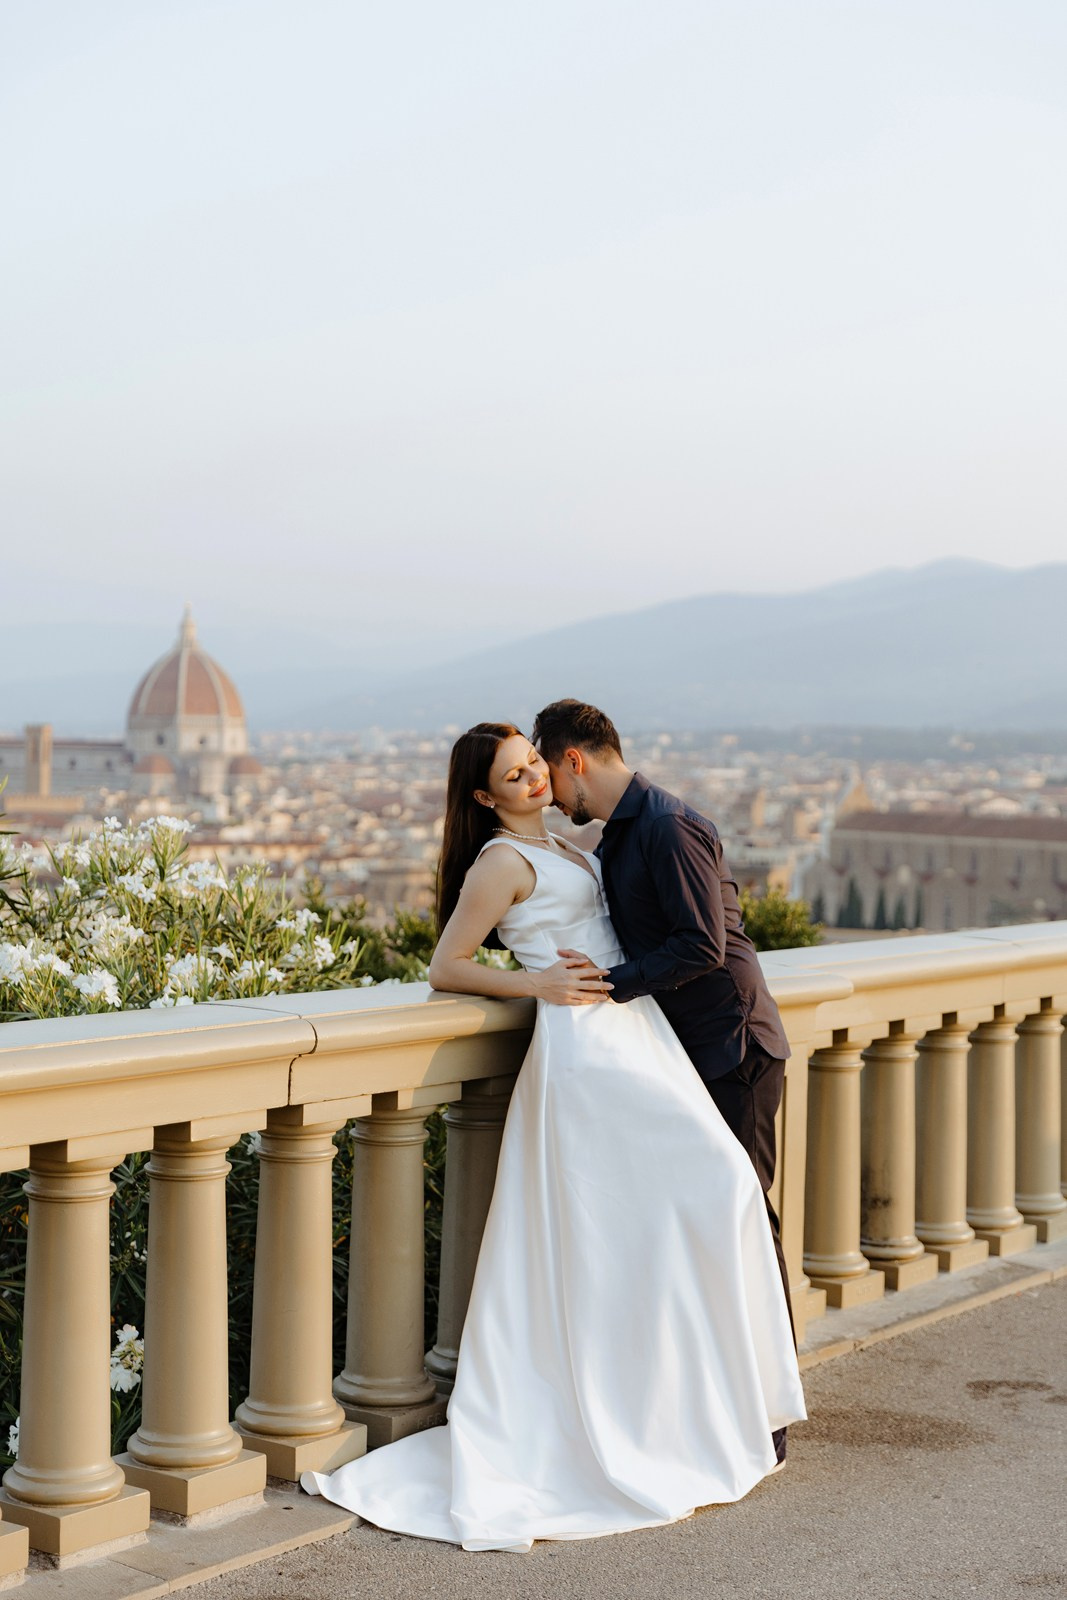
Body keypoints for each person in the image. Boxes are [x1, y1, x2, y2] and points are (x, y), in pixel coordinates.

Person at [301, 722, 805, 1552]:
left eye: (533, 762)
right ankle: (651, 1413)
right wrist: (535, 983)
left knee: (684, 1208)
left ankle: (687, 1403)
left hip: (636, 1035)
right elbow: (446, 965)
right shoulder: (501, 860)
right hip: (587, 1048)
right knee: (682, 1200)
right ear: (482, 795)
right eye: (512, 773)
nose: (531, 777)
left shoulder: (576, 840)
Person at [531, 700, 796, 1463]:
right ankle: (725, 1397)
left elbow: (701, 947)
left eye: (549, 773)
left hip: (733, 1049)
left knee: (745, 1221)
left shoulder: (666, 825)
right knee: (712, 1222)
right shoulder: (621, 832)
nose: (549, 792)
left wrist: (609, 985)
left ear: (574, 759)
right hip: (693, 1053)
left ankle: (765, 1413)